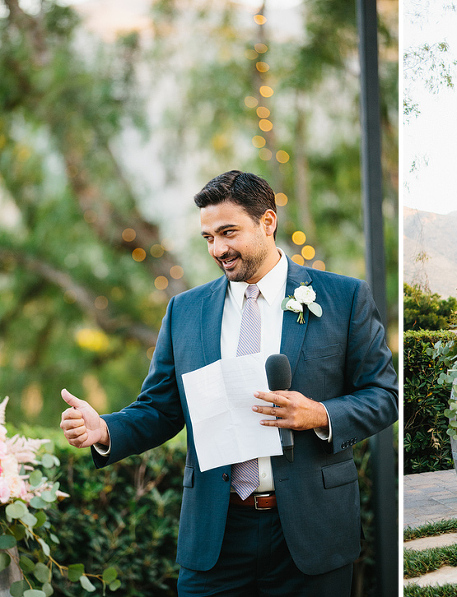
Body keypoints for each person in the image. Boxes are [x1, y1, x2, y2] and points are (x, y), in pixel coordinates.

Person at [59, 171, 398, 595]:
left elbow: (384, 395)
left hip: (312, 530)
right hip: (216, 535)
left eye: (228, 232)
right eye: (208, 238)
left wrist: (320, 414)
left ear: (268, 222)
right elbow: (162, 409)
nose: (218, 249)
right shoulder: (184, 311)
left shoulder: (343, 298)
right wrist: (106, 428)